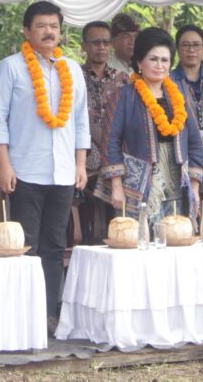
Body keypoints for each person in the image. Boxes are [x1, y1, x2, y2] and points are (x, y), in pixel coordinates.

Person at [0, 1, 89, 332]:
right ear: (27, 32)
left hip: (62, 172)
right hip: (24, 171)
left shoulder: (72, 69)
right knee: (25, 245)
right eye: (42, 26)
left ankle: (49, 314)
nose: (49, 31)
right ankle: (21, 315)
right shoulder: (11, 67)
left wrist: (80, 165)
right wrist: (4, 165)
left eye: (55, 26)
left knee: (55, 246)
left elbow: (80, 122)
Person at [97, 27, 203, 226]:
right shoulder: (124, 96)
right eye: (153, 59)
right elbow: (110, 142)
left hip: (177, 178)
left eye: (164, 60)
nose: (159, 65)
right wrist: (116, 185)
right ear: (139, 62)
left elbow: (195, 142)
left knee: (176, 233)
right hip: (138, 184)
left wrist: (195, 188)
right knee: (142, 238)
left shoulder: (180, 95)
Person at [78, 21, 129, 244]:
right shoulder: (73, 75)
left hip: (115, 157)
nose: (101, 47)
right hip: (82, 157)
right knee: (85, 221)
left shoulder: (123, 78)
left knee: (115, 222)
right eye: (95, 42)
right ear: (84, 46)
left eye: (106, 42)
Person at [170, 24, 203, 203]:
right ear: (178, 49)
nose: (191, 50)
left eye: (196, 45)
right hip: (180, 155)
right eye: (185, 45)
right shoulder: (168, 82)